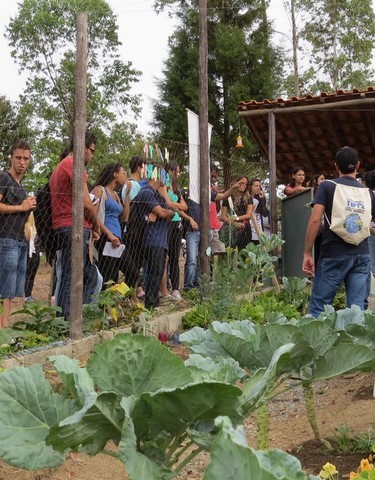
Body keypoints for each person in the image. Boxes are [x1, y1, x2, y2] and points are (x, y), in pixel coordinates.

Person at [302, 146, 375, 318]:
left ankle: (317, 343)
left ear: (336, 166)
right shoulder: (368, 193)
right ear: (358, 165)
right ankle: (355, 344)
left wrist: (307, 252)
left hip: (333, 253)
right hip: (361, 254)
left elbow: (314, 220)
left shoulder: (327, 186)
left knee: (319, 308)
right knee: (356, 311)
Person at [49, 131, 101, 320]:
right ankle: (65, 322)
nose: (91, 155)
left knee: (90, 277)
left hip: (71, 227)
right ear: (82, 147)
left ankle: (79, 318)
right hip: (72, 227)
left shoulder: (61, 166)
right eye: (91, 150)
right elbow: (87, 203)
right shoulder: (73, 165)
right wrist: (96, 226)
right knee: (71, 277)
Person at [126, 164, 174, 310]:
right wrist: (166, 213)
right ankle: (151, 305)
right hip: (152, 239)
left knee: (158, 272)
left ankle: (153, 303)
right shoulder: (146, 192)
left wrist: (165, 213)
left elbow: (166, 213)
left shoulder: (158, 195)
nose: (166, 179)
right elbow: (165, 213)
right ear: (157, 175)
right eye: (164, 175)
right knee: (154, 273)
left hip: (160, 239)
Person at [0, 140, 36, 327]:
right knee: (4, 291)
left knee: (11, 293)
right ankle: (3, 331)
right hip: (6, 240)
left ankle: (5, 329)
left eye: (26, 158)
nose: (22, 162)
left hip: (21, 242)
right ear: (11, 158)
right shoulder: (4, 178)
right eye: (18, 158)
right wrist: (20, 206)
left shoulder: (20, 186)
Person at [91, 163, 136, 288]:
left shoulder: (116, 195)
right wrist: (109, 235)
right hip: (106, 238)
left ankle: (118, 298)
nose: (125, 177)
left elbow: (125, 217)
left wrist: (126, 195)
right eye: (123, 173)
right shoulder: (100, 190)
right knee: (109, 277)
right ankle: (105, 306)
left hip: (117, 239)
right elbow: (93, 215)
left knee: (133, 274)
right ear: (115, 174)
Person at [158, 162, 187, 302]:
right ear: (170, 171)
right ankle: (164, 288)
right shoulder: (162, 185)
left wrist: (174, 205)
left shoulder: (176, 188)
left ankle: (175, 288)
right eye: (177, 171)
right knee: (165, 256)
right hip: (166, 222)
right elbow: (167, 203)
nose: (178, 174)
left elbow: (184, 206)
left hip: (177, 224)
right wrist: (175, 205)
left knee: (175, 257)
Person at [209, 165, 242, 255]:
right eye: (212, 176)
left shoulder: (214, 190)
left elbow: (217, 207)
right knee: (206, 253)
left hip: (216, 225)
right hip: (206, 226)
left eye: (215, 177)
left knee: (221, 252)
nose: (213, 179)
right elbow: (222, 215)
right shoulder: (204, 188)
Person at [220, 176, 253, 249]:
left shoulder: (248, 198)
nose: (244, 185)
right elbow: (222, 216)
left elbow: (248, 215)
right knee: (230, 252)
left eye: (246, 184)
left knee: (243, 253)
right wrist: (233, 223)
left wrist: (236, 218)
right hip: (230, 230)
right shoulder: (228, 197)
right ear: (236, 183)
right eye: (242, 183)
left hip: (244, 229)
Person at [249, 177, 270, 244]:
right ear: (250, 187)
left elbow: (265, 213)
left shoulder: (260, 198)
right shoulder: (246, 198)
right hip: (248, 229)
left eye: (259, 186)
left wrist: (262, 199)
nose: (258, 187)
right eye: (256, 186)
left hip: (258, 230)